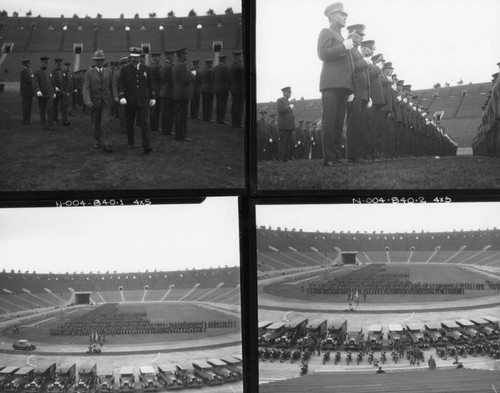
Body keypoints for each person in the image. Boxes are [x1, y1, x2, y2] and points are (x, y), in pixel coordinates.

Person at [317, 2, 355, 166]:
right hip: (331, 84)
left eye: (345, 15)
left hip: (343, 85)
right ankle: (329, 157)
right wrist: (343, 47)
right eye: (342, 14)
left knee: (339, 122)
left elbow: (348, 66)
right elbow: (322, 54)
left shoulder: (341, 37)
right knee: (330, 121)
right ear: (332, 16)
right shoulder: (326, 32)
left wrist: (351, 86)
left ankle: (338, 154)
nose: (345, 16)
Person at [118, 47, 155, 154]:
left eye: (136, 58)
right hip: (130, 101)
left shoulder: (146, 69)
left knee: (145, 124)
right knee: (129, 123)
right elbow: (121, 85)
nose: (134, 60)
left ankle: (146, 146)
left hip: (142, 101)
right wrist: (122, 97)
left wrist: (152, 97)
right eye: (132, 58)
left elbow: (151, 85)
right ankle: (131, 142)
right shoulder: (125, 70)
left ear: (140, 57)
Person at [345, 24, 369, 163]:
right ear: (351, 34)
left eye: (362, 35)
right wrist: (365, 63)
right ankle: (352, 155)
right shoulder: (349, 49)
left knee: (360, 125)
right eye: (358, 35)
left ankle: (358, 154)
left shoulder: (356, 51)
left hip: (362, 93)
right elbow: (350, 68)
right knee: (353, 124)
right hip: (355, 92)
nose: (361, 38)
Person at [83, 49, 115, 152]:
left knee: (106, 122)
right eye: (97, 60)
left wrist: (116, 97)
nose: (99, 62)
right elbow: (86, 88)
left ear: (103, 60)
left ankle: (108, 143)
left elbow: (113, 86)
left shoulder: (109, 72)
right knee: (95, 123)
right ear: (94, 61)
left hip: (106, 101)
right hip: (94, 102)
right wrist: (87, 100)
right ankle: (96, 140)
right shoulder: (89, 73)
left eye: (101, 60)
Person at [172, 47, 193, 141]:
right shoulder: (182, 66)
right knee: (182, 116)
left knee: (179, 115)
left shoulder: (177, 65)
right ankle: (181, 135)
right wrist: (192, 74)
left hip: (178, 93)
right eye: (185, 54)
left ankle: (179, 134)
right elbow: (186, 80)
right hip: (182, 94)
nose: (187, 56)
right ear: (182, 55)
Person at [32, 56, 56, 130]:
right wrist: (38, 90)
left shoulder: (49, 72)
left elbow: (52, 83)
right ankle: (43, 124)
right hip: (42, 94)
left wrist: (54, 92)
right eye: (45, 63)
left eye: (47, 63)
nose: (47, 64)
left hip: (49, 94)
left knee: (50, 110)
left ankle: (50, 125)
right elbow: (35, 82)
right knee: (42, 110)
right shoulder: (37, 72)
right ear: (41, 63)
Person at [159, 50, 176, 136]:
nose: (174, 57)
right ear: (169, 56)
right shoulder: (169, 67)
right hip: (169, 92)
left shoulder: (163, 66)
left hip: (163, 91)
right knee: (169, 113)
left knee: (165, 112)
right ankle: (167, 130)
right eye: (173, 56)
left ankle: (164, 129)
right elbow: (173, 80)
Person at [277, 86, 295, 162]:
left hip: (288, 126)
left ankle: (285, 158)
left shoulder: (287, 101)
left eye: (290, 92)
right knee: (283, 143)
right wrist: (289, 107)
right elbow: (281, 110)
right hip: (284, 126)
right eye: (288, 92)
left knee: (287, 143)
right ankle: (281, 158)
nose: (290, 94)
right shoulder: (280, 100)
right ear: (284, 92)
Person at [52, 58, 71, 125]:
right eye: (57, 64)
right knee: (55, 106)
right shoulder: (52, 72)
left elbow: (67, 82)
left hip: (63, 92)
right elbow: (51, 82)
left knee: (64, 107)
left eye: (60, 64)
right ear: (55, 64)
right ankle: (55, 120)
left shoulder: (64, 72)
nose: (59, 65)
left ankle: (65, 120)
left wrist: (67, 91)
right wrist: (54, 89)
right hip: (56, 92)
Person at [229, 51, 245, 128]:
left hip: (233, 88)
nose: (242, 58)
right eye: (241, 57)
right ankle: (237, 123)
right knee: (239, 107)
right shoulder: (241, 66)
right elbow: (243, 80)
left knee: (234, 105)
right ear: (239, 57)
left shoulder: (232, 66)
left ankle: (234, 122)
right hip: (240, 89)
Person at [213, 55, 230, 124]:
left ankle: (218, 119)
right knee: (223, 105)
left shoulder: (215, 68)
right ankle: (221, 119)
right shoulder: (225, 67)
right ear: (224, 60)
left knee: (218, 104)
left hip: (216, 88)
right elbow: (228, 78)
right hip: (223, 89)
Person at [149, 52, 162, 131]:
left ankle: (153, 125)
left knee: (153, 109)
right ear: (156, 58)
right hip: (157, 89)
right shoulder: (156, 68)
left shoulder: (150, 66)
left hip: (152, 89)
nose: (160, 60)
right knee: (156, 109)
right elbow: (160, 78)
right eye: (159, 58)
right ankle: (154, 126)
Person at [20, 59, 34, 125]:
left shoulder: (27, 71)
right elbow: (29, 80)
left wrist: (32, 76)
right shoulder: (24, 71)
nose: (29, 64)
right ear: (25, 64)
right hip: (26, 92)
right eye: (28, 63)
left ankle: (27, 119)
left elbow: (31, 78)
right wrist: (32, 76)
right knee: (26, 107)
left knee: (28, 107)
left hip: (28, 92)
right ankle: (26, 120)